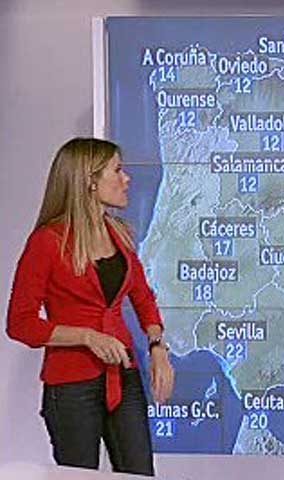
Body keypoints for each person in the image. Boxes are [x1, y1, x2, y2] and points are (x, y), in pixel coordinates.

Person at [6, 137, 174, 476]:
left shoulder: (119, 235)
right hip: (72, 386)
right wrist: (86, 337)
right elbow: (20, 323)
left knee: (139, 472)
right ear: (90, 181)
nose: (126, 179)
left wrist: (157, 347)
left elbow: (143, 298)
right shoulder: (48, 243)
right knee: (79, 475)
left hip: (123, 376)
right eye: (117, 170)